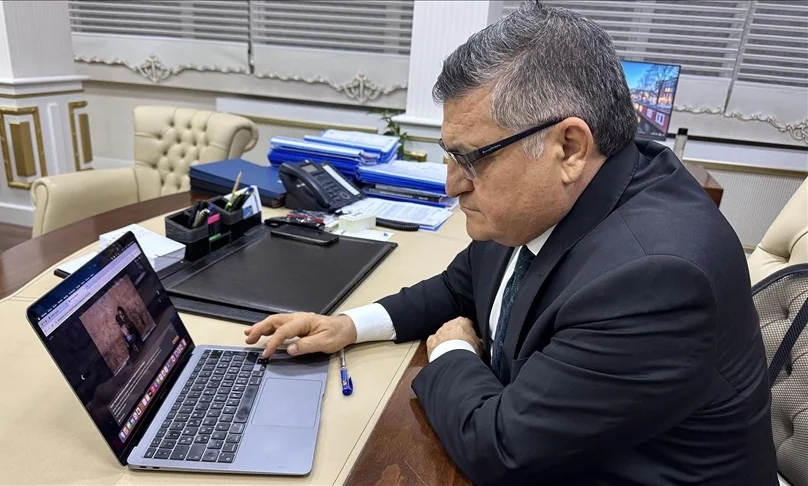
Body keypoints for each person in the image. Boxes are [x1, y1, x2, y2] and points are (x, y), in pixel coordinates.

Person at [245, 2, 777, 485]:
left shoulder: (654, 278)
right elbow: (460, 286)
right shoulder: (555, 197)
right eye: (449, 155)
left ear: (569, 147)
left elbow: (500, 449)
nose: (452, 184)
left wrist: (451, 350)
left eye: (472, 159)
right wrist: (348, 326)